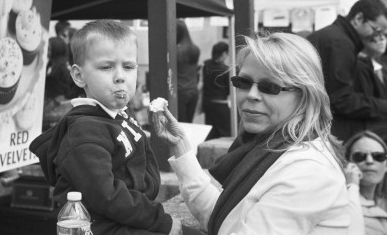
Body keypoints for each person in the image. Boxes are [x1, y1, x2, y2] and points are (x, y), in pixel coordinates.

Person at [151, 32, 353, 234]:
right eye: (244, 83)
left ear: (304, 94)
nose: (252, 95)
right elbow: (223, 219)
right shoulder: (271, 146)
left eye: (270, 87)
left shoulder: (308, 170)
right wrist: (181, 147)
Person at [30, 20, 182, 235]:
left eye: (128, 67)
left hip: (130, 219)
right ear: (78, 76)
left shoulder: (119, 115)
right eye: (106, 67)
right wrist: (159, 220)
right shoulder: (84, 133)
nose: (120, 76)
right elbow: (107, 196)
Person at [308, 0, 387, 141]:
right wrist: (382, 106)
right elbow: (340, 100)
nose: (377, 37)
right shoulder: (341, 43)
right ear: (358, 18)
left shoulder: (335, 36)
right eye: (376, 30)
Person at [344, 130, 387, 235]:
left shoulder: (383, 204)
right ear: (347, 163)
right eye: (360, 156)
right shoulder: (342, 203)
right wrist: (352, 185)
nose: (369, 161)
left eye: (378, 156)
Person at [354, 33, 387, 141]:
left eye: (385, 35)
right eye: (377, 34)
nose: (382, 39)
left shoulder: (381, 67)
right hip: (370, 131)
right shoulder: (360, 66)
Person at [201, 41, 231, 140]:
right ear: (223, 54)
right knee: (225, 132)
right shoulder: (225, 70)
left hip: (207, 103)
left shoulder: (206, 65)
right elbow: (228, 89)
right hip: (220, 103)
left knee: (210, 131)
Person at [176, 19, 200, 123]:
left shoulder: (176, 51)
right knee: (189, 123)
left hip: (180, 91)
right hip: (193, 91)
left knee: (181, 125)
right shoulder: (195, 49)